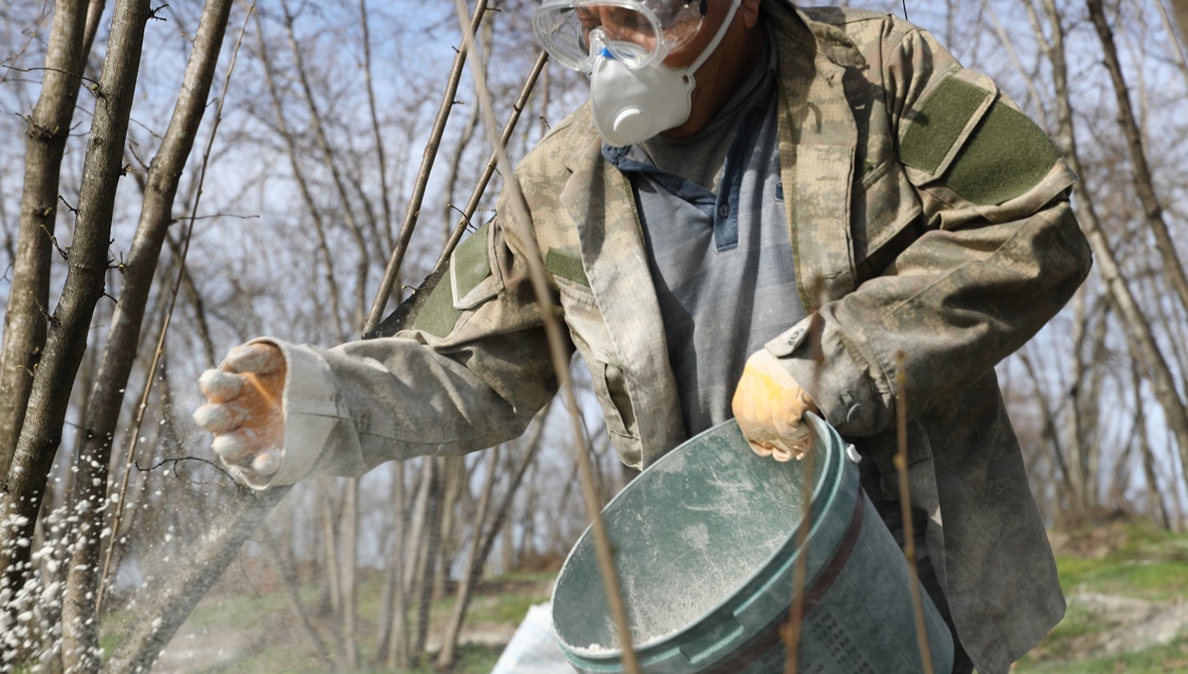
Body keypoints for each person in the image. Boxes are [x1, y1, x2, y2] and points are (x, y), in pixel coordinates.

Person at [193, 0, 1092, 672]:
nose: (605, 47)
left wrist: (834, 359)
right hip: (706, 588)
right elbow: (477, 366)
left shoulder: (875, 76)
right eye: (583, 21)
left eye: (633, 18)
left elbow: (1029, 224)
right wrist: (322, 401)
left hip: (908, 564)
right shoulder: (557, 185)